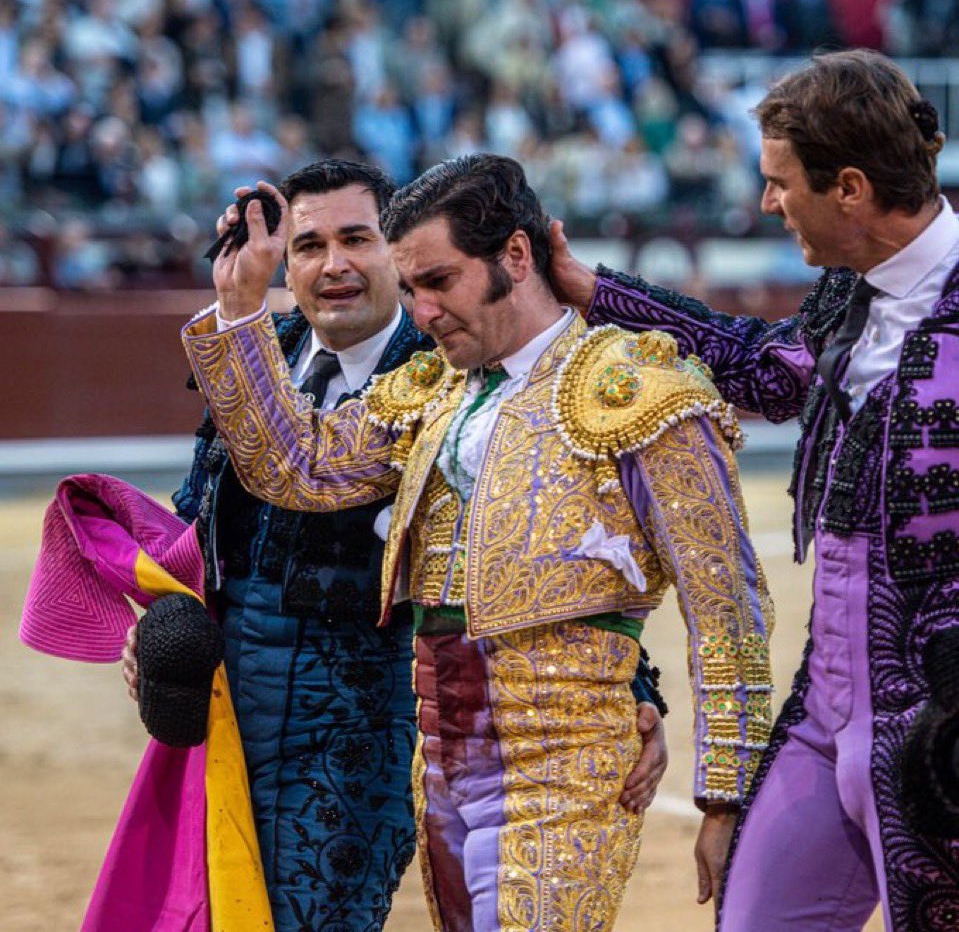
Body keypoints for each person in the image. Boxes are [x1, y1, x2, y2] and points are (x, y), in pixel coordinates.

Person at [178, 153, 773, 931]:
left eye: (439, 282)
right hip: (445, 761)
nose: (420, 311)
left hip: (570, 762)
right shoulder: (433, 389)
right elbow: (297, 466)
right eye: (412, 286)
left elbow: (726, 604)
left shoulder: (639, 388)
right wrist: (239, 309)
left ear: (515, 257)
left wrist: (729, 797)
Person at [549, 49, 959, 932]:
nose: (768, 202)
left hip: (945, 725)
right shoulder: (848, 298)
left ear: (847, 187)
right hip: (827, 712)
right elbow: (758, 368)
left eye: (780, 183)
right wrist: (593, 291)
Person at [124, 159, 431, 932]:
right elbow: (198, 510)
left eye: (357, 238)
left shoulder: (435, 372)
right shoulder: (273, 340)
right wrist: (160, 627)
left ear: (397, 248)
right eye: (309, 245)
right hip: (228, 709)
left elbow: (520, 546)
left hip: (356, 722)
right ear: (283, 262)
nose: (334, 264)